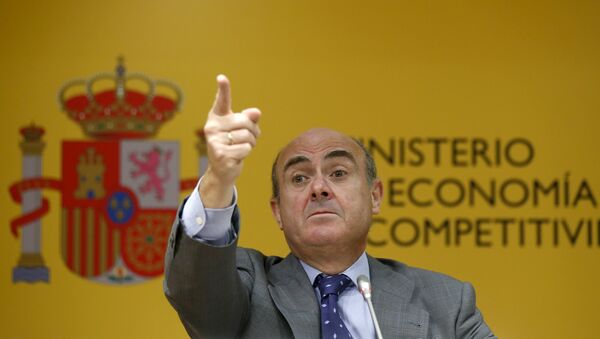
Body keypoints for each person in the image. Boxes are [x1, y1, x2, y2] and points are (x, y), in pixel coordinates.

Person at [163, 75, 497, 339]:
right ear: (277, 211)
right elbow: (198, 291)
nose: (319, 188)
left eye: (338, 173)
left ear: (375, 196)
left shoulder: (447, 301)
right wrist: (218, 177)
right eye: (299, 178)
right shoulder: (248, 288)